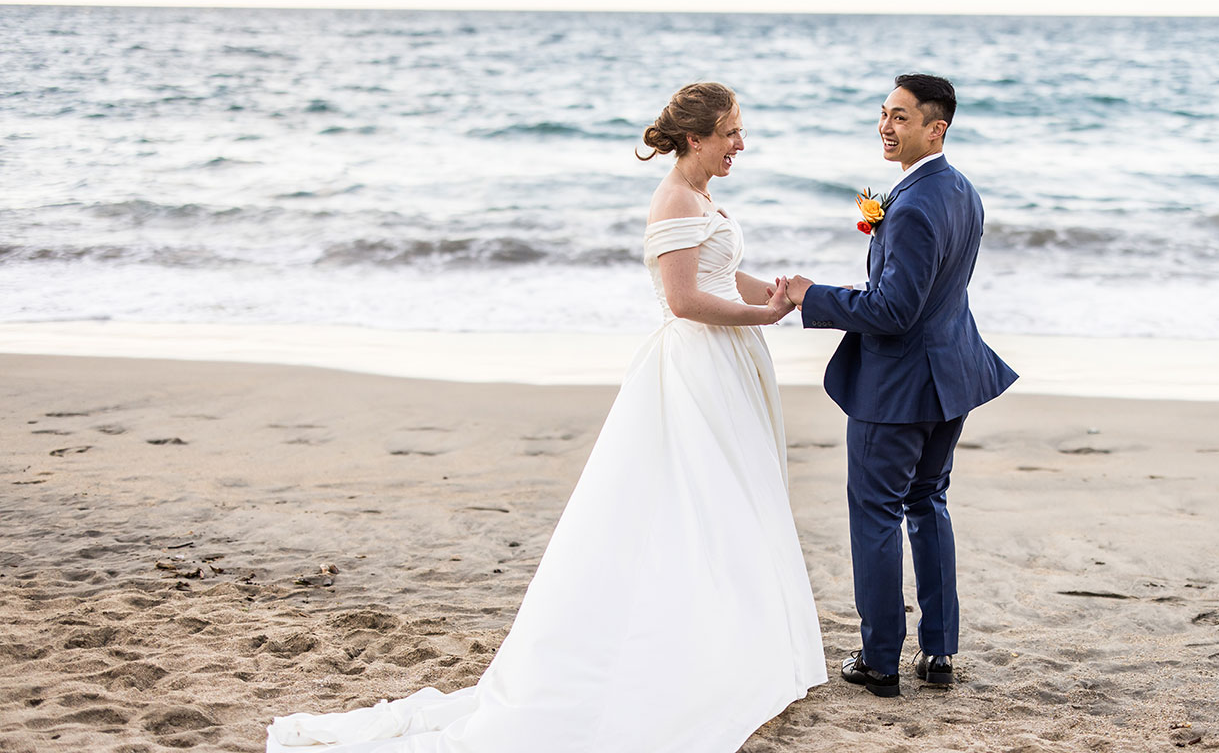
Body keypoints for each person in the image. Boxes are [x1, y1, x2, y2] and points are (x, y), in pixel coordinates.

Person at [266, 82, 825, 752]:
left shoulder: (702, 197)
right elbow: (683, 300)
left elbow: (721, 273)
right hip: (695, 368)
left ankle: (736, 636)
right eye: (731, 132)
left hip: (724, 364)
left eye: (739, 131)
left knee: (731, 502)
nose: (741, 143)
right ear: (696, 137)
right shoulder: (675, 198)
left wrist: (783, 294)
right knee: (696, 504)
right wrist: (760, 316)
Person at [785, 73, 1017, 698]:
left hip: (898, 388)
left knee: (878, 512)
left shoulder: (913, 205)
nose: (886, 126)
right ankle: (939, 652)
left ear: (935, 128)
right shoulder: (961, 191)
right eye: (884, 114)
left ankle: (881, 660)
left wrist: (814, 297)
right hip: (952, 375)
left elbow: (893, 311)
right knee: (928, 502)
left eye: (901, 117)